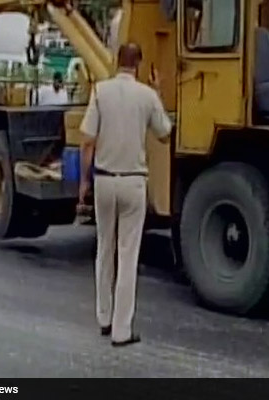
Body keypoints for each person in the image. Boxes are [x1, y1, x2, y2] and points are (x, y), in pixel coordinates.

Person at [78, 43, 172, 347]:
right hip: (133, 182)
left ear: (117, 62)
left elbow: (87, 141)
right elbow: (164, 133)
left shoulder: (100, 92)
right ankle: (122, 330)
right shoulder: (146, 95)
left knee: (104, 249)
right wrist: (158, 92)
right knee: (128, 255)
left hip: (104, 181)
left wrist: (84, 182)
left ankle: (103, 318)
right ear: (139, 65)